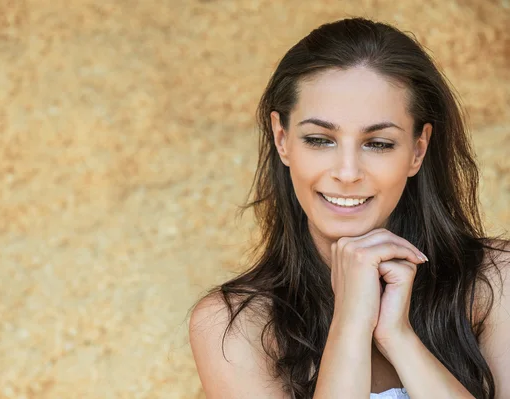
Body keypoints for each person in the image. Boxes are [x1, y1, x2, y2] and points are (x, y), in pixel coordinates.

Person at [187, 17, 510, 399]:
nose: (347, 172)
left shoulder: (495, 282)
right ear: (282, 138)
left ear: (418, 150)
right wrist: (351, 322)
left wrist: (398, 337)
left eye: (378, 143)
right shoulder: (231, 326)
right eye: (319, 139)